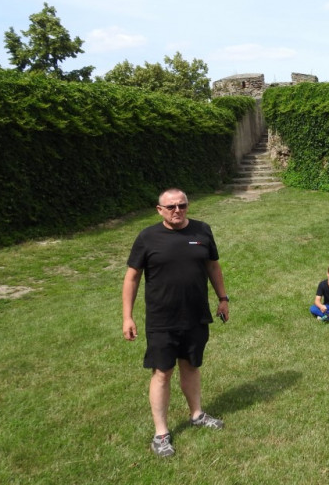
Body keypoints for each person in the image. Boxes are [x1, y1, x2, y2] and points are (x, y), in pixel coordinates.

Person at [122, 188, 230, 457]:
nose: (177, 210)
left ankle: (197, 414)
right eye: (171, 207)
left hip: (195, 315)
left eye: (182, 205)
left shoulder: (202, 231)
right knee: (162, 372)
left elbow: (213, 266)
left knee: (191, 366)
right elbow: (132, 277)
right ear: (160, 210)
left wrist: (223, 298)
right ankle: (161, 434)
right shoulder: (147, 237)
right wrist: (127, 316)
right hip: (162, 319)